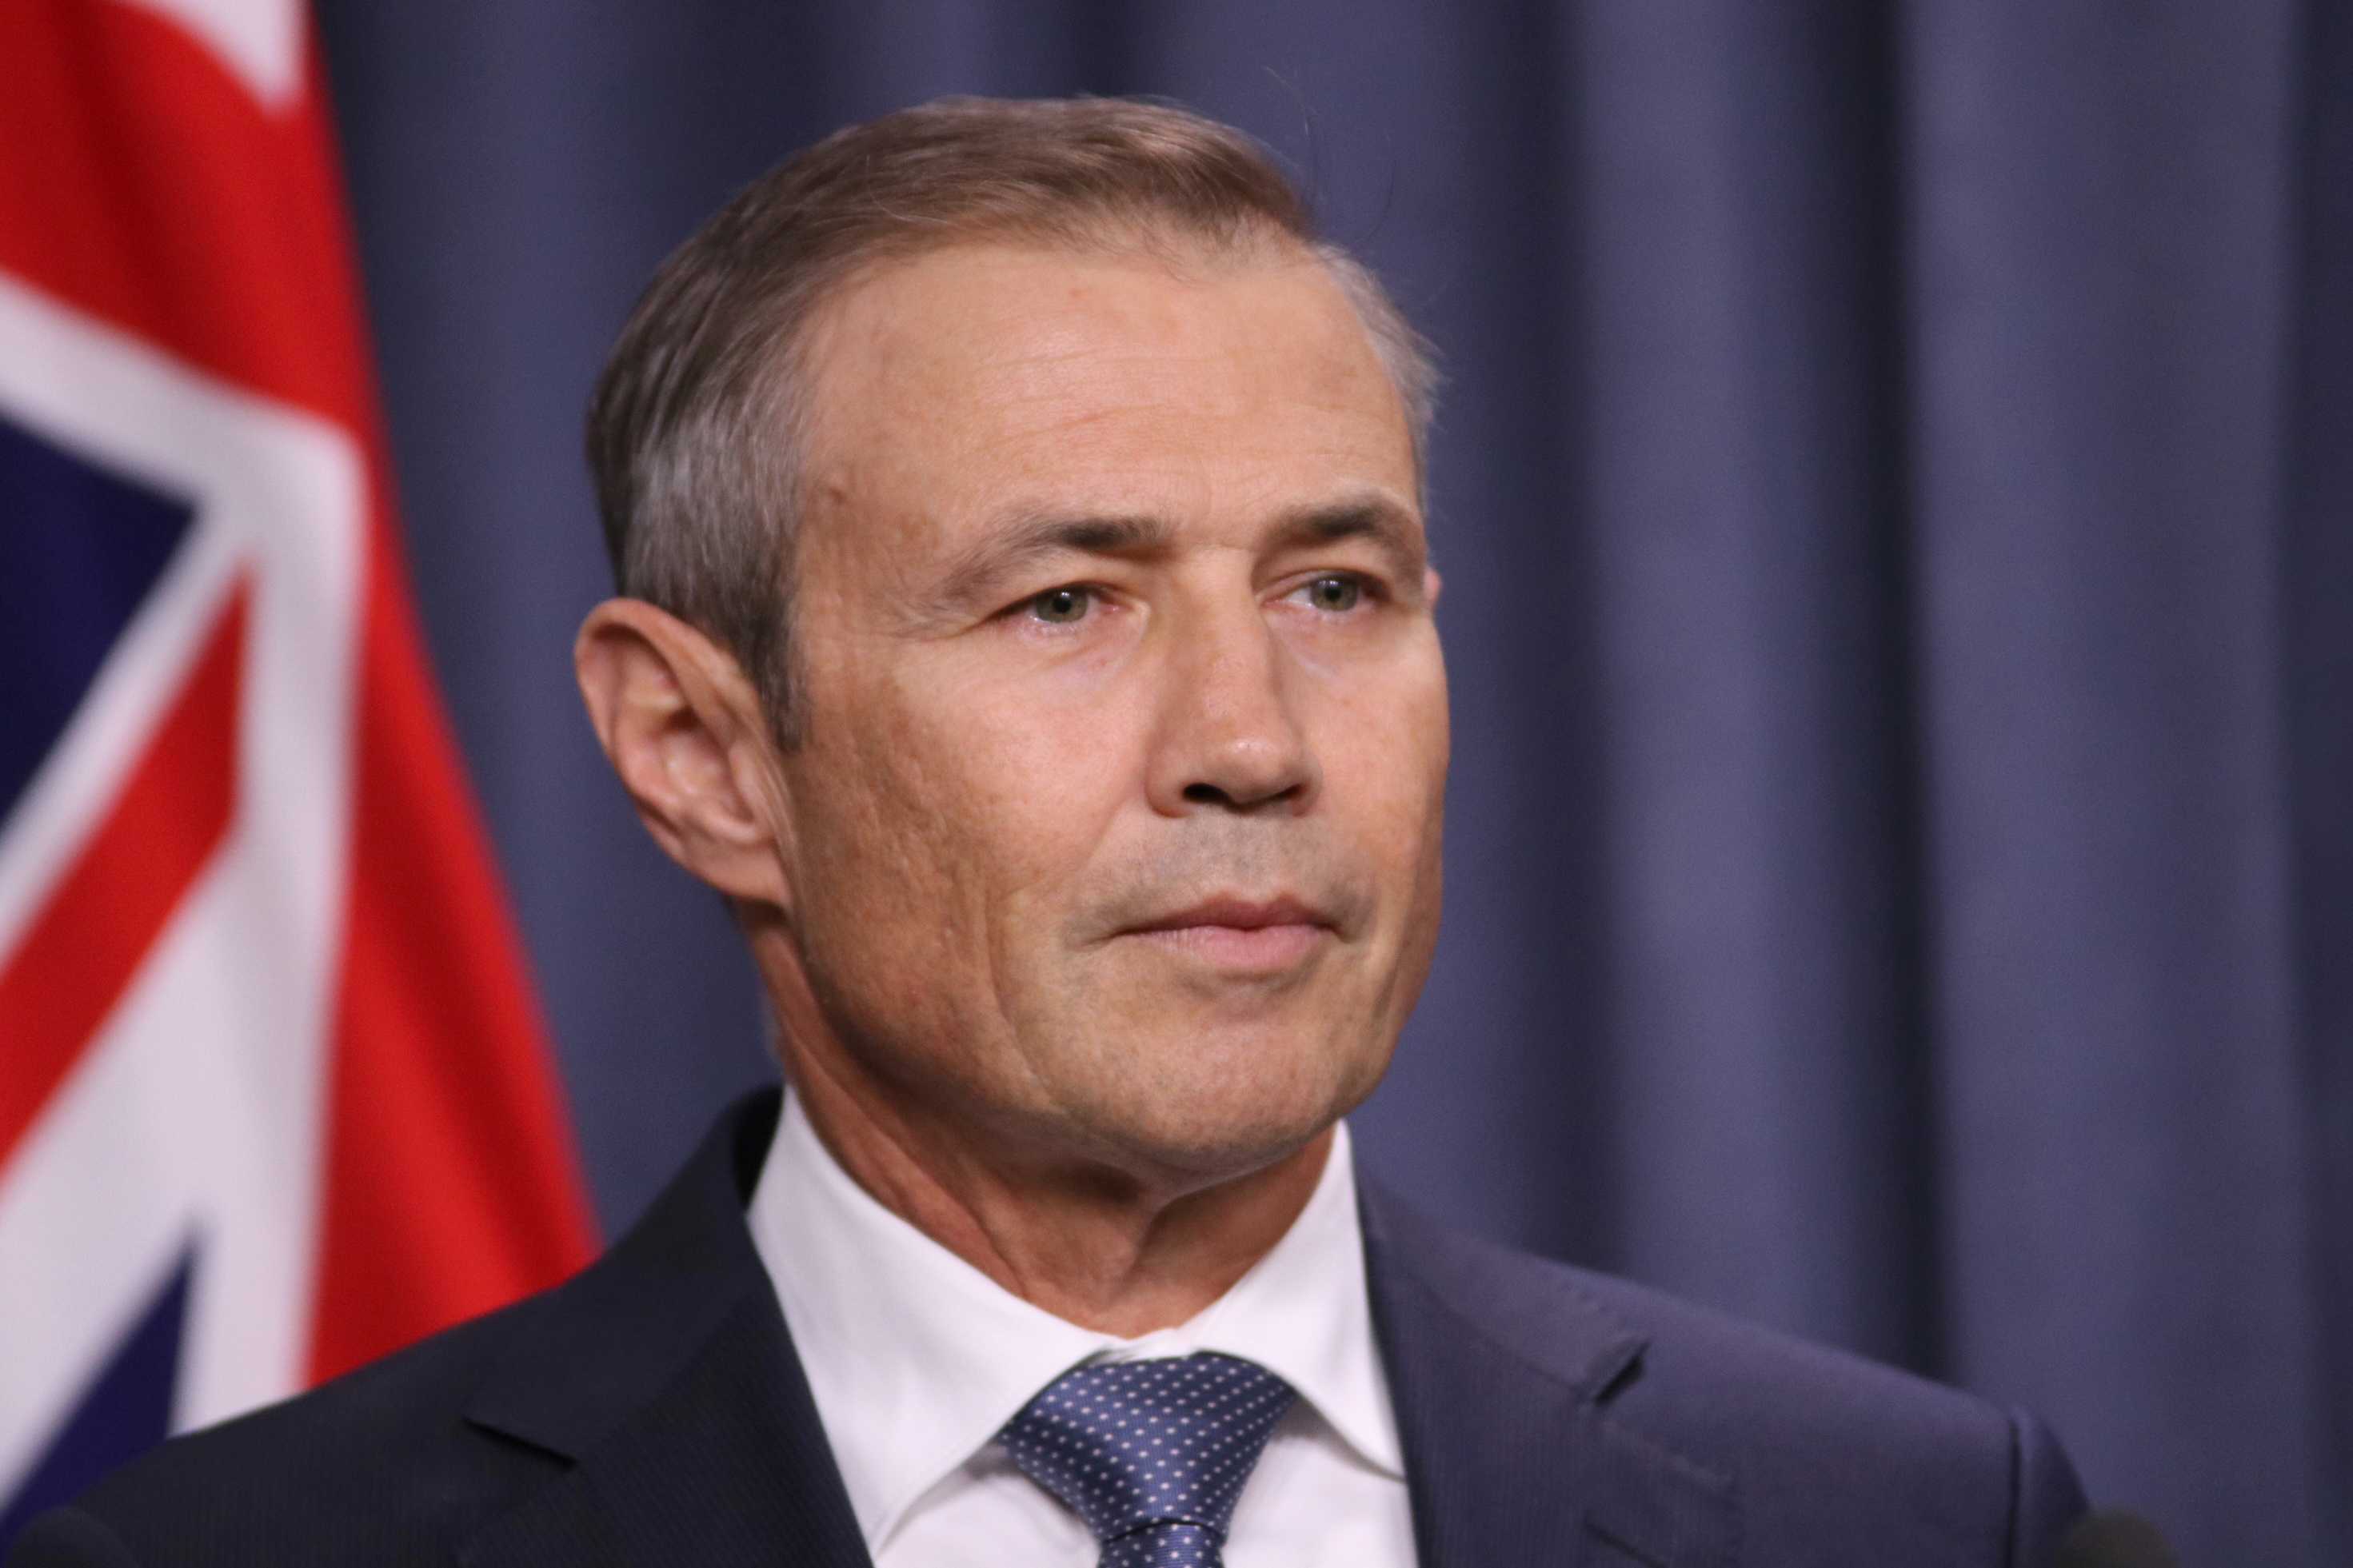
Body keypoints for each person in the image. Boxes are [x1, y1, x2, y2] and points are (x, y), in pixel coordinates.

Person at [9, 96, 2087, 1567]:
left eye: (1334, 590)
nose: (1252, 742)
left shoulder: (1918, 1523)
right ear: (701, 752)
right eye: (1066, 603)